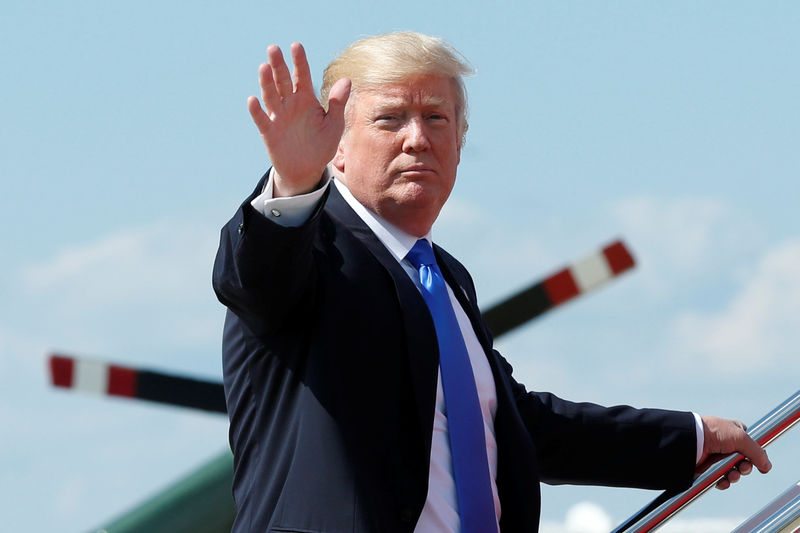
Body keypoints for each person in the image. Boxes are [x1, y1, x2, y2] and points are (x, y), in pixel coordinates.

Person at [213, 32, 770, 533]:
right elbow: (254, 278)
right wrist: (291, 181)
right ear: (334, 144)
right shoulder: (308, 248)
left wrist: (690, 438)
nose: (417, 139)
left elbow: (514, 428)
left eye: (436, 119)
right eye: (389, 119)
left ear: (460, 140)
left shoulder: (443, 278)